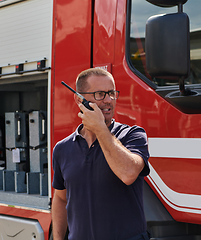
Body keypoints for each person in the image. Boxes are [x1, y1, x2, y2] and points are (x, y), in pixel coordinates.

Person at [51, 68, 150, 240]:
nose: (108, 100)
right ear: (79, 99)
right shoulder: (62, 149)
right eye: (100, 94)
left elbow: (128, 173)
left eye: (111, 93)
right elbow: (60, 198)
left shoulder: (133, 136)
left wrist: (100, 129)